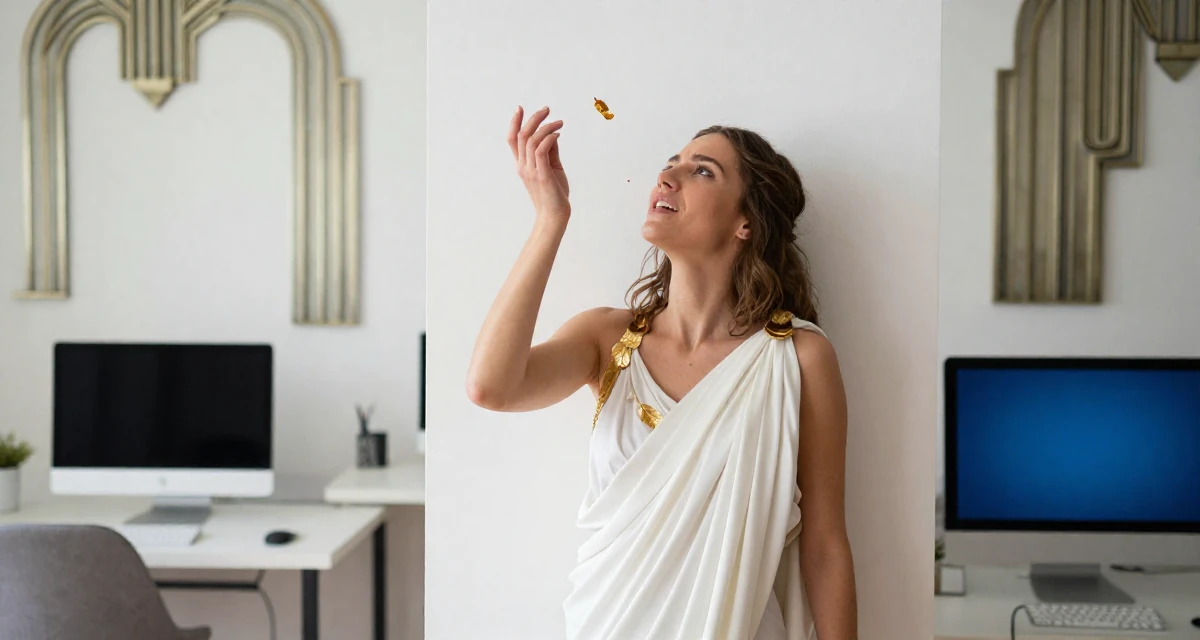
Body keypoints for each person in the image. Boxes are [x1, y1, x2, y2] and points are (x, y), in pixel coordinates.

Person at [467, 105, 858, 640]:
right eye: (672, 162)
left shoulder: (797, 357)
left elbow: (824, 545)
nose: (667, 175)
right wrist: (549, 220)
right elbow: (492, 387)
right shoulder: (607, 339)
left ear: (747, 222)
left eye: (703, 170)